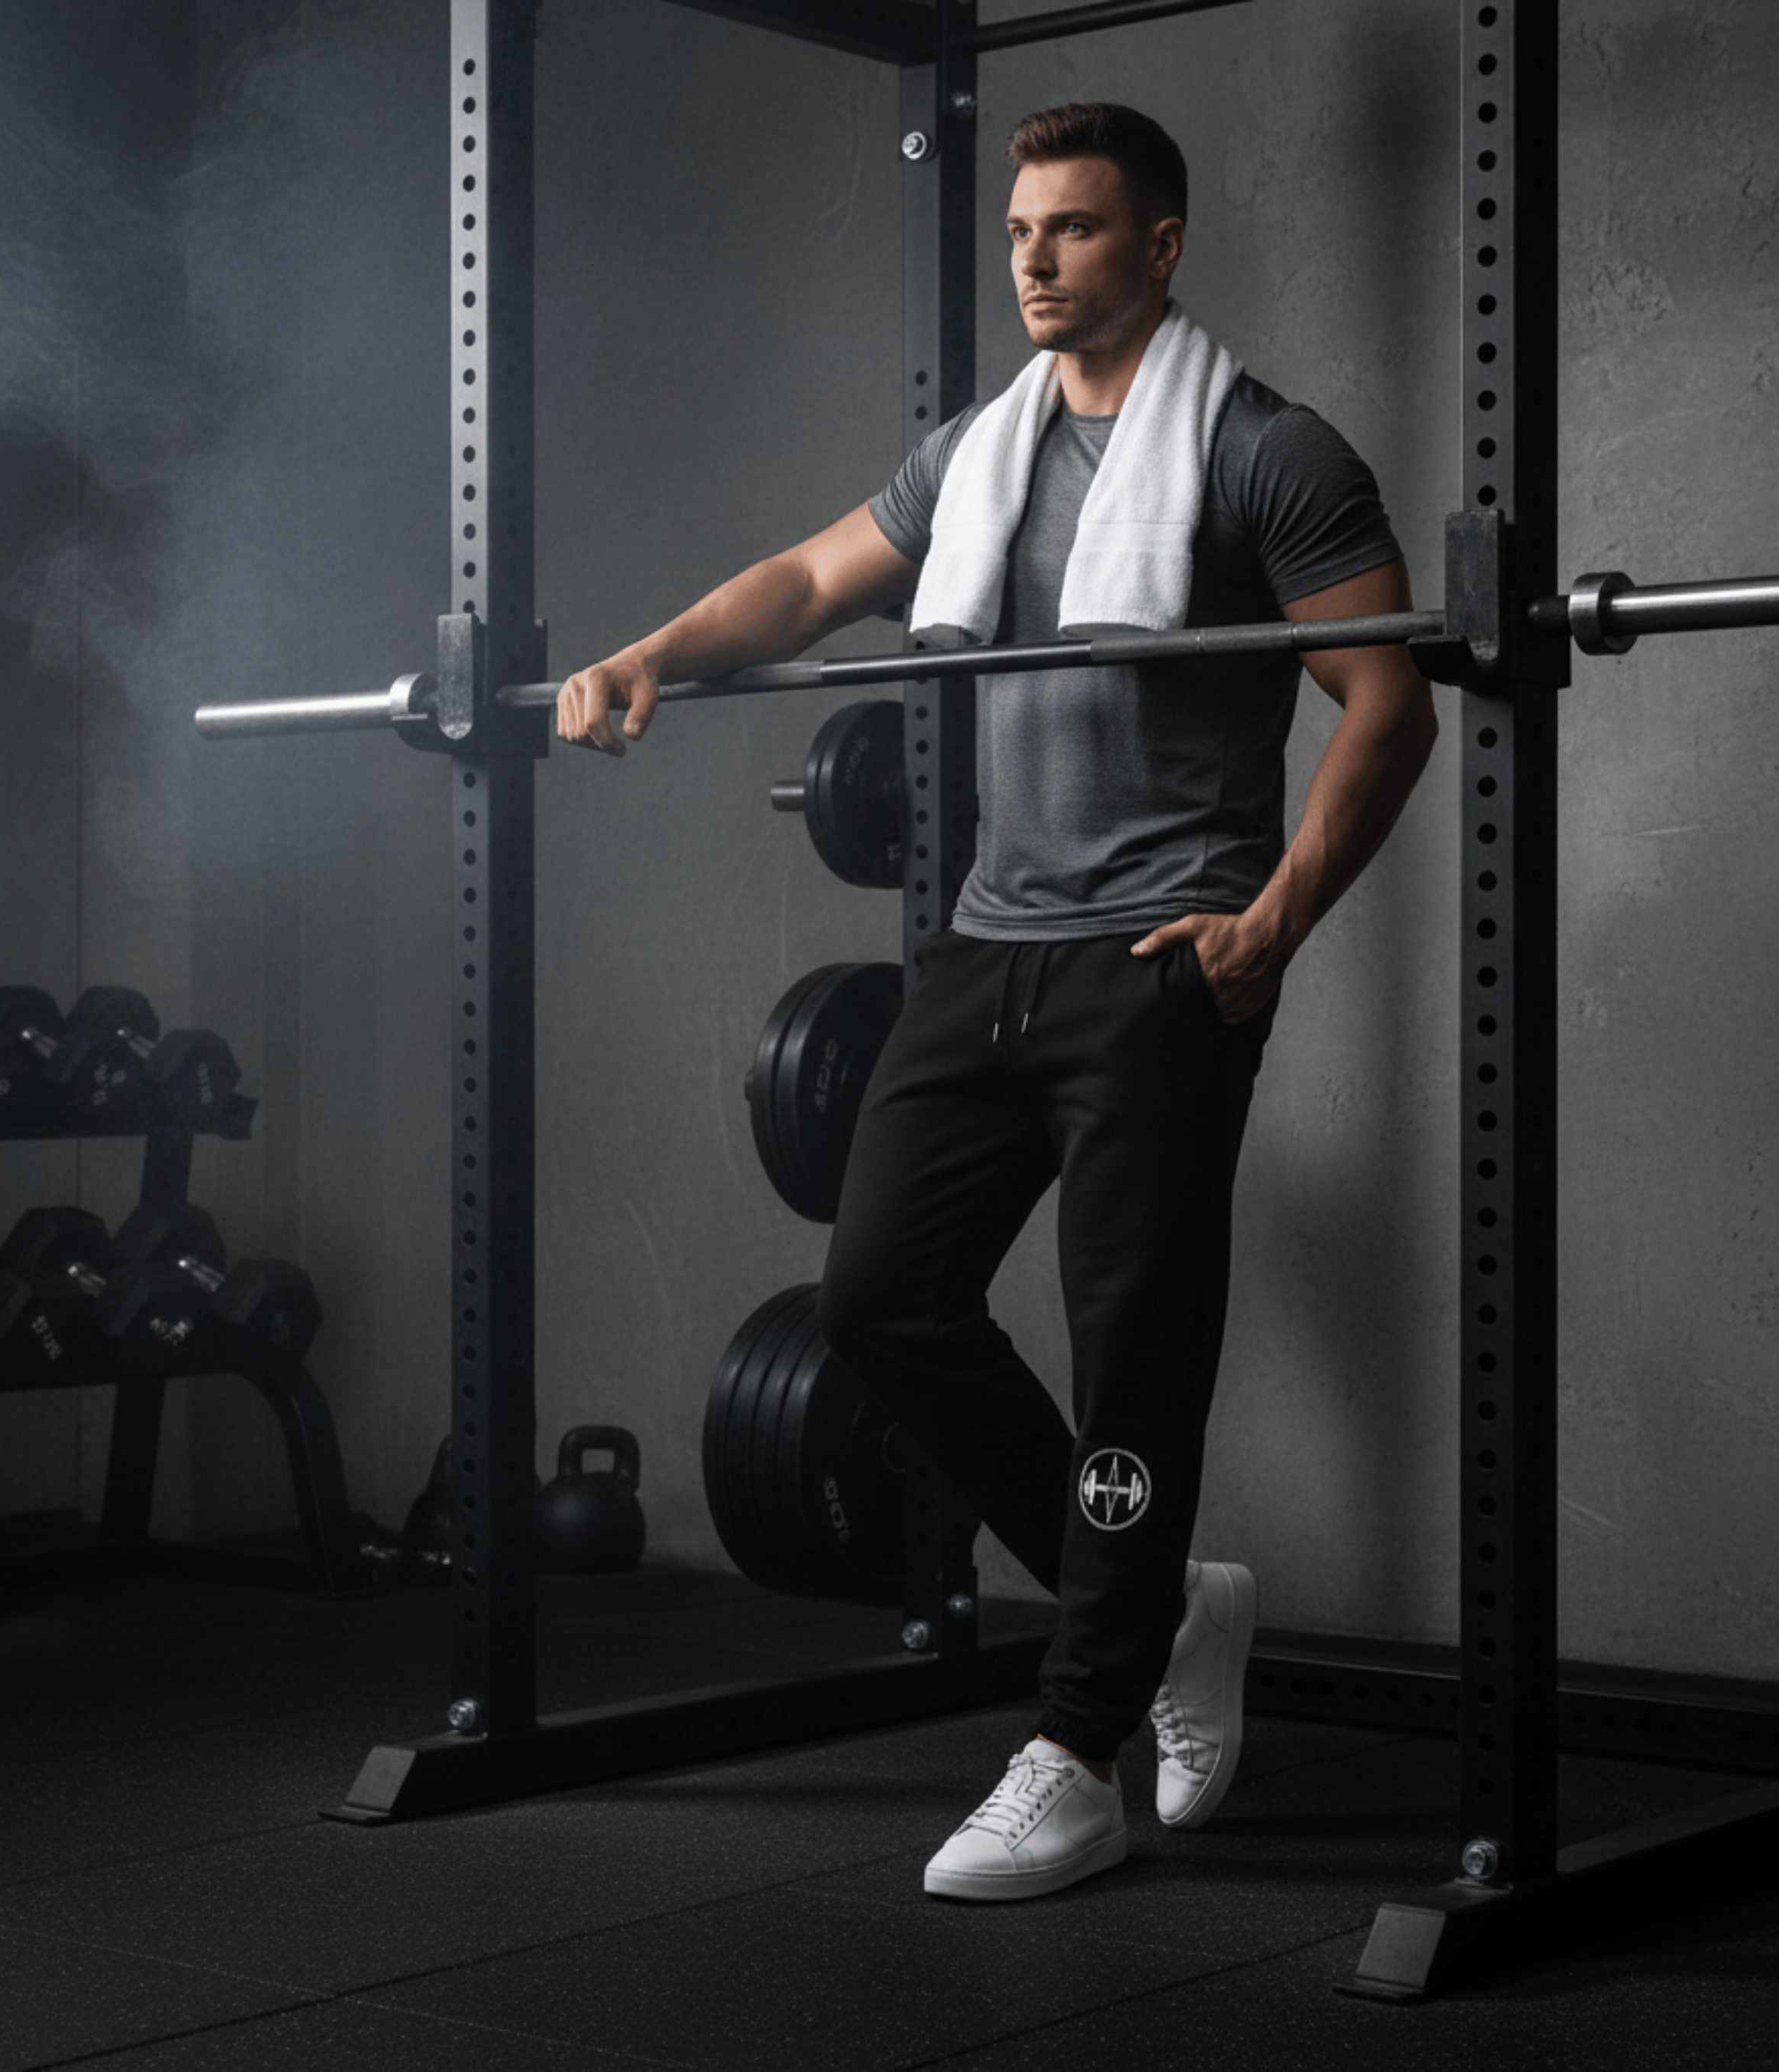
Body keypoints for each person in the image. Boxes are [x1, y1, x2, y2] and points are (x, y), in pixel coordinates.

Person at [558, 102, 1437, 1902]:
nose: (1033, 258)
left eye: (1079, 230)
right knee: (880, 1298)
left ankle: (1079, 1746)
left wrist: (1271, 921)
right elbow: (810, 585)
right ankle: (1168, 1611)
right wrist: (649, 650)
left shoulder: (1272, 456)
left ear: (1164, 246)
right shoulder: (981, 453)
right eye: (1023, 229)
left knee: (1134, 1365)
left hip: (1158, 968)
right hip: (982, 948)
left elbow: (1390, 695)